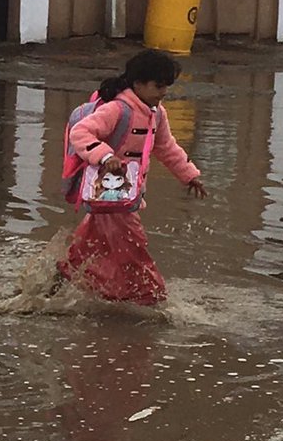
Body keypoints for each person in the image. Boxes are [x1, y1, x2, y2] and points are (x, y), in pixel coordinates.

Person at [58, 50, 206, 306]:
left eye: (166, 86)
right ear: (138, 83)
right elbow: (81, 133)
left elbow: (166, 147)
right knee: (134, 248)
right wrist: (105, 157)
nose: (164, 92)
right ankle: (150, 298)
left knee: (89, 247)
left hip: (120, 198)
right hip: (112, 196)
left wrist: (189, 175)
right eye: (158, 86)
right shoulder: (118, 109)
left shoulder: (156, 113)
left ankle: (60, 281)